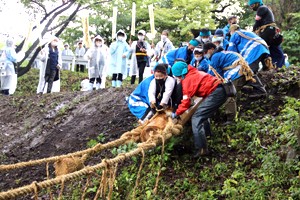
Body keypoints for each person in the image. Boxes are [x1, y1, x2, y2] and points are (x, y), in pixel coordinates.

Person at [171, 61, 228, 158]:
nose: (179, 79)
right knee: (202, 115)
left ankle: (202, 149)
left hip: (215, 93)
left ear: (182, 74)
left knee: (197, 118)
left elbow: (186, 102)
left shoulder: (188, 80)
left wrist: (176, 113)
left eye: (179, 77)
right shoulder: (194, 72)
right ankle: (208, 136)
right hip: (219, 90)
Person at [203, 42, 255, 123]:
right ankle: (247, 89)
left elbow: (215, 74)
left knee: (229, 93)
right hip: (242, 71)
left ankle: (231, 119)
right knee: (232, 89)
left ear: (212, 49)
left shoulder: (215, 56)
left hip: (238, 72)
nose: (205, 54)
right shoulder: (222, 53)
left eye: (206, 52)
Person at [228, 24, 269, 98]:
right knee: (252, 69)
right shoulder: (245, 32)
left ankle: (261, 91)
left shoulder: (234, 35)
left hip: (254, 50)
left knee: (248, 70)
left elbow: (231, 51)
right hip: (263, 48)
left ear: (231, 31)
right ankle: (253, 86)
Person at [248, 0, 285, 68]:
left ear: (257, 3)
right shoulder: (264, 8)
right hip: (270, 30)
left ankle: (267, 66)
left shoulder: (261, 8)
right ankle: (277, 65)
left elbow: (257, 23)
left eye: (252, 6)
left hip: (268, 30)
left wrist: (252, 32)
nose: (251, 8)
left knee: (263, 47)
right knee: (273, 48)